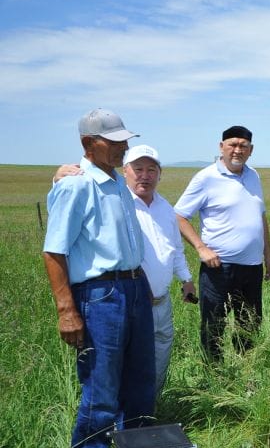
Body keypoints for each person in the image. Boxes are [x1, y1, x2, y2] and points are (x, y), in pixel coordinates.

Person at [42, 108, 154, 448]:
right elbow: (54, 251)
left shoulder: (118, 182)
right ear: (89, 143)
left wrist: (141, 285)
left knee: (140, 373)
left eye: (125, 140)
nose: (124, 147)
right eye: (115, 141)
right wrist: (66, 310)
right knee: (101, 381)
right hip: (101, 295)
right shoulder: (75, 185)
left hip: (134, 287)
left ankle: (136, 444)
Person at [54, 145, 199, 394]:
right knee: (125, 365)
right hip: (132, 300)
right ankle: (123, 414)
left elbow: (175, 248)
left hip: (162, 301)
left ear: (160, 174)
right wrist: (57, 180)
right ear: (125, 171)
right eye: (138, 169)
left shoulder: (165, 208)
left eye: (151, 170)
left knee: (160, 354)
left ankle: (151, 407)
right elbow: (75, 199)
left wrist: (186, 279)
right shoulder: (118, 201)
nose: (145, 176)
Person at [175, 126, 270, 361]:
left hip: (252, 267)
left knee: (249, 324)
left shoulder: (253, 176)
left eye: (243, 146)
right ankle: (214, 374)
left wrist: (268, 257)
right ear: (222, 147)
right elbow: (179, 216)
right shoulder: (206, 177)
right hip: (219, 268)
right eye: (232, 145)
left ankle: (246, 370)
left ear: (251, 150)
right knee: (214, 326)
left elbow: (260, 216)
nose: (237, 150)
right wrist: (201, 248)